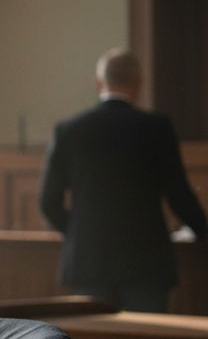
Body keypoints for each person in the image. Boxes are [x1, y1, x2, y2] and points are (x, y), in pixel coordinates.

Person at [39, 48, 206, 313]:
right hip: (146, 262)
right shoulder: (156, 128)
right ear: (138, 83)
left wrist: (81, 234)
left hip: (88, 262)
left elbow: (48, 202)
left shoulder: (68, 131)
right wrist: (204, 231)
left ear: (98, 83)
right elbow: (180, 195)